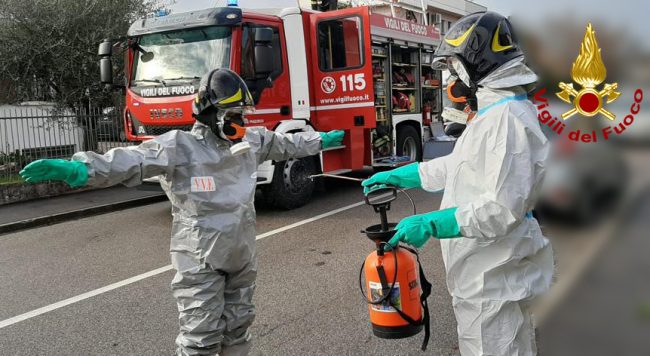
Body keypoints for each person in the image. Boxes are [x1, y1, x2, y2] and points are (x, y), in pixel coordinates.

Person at [20, 69, 344, 356]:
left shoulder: (252, 142)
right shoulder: (179, 148)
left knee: (239, 327)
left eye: (241, 114)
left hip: (242, 253)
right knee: (200, 338)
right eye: (232, 114)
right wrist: (78, 169)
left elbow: (287, 144)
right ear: (210, 113)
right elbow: (131, 160)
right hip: (200, 260)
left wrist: (321, 140)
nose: (240, 122)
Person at [362, 12, 553, 355]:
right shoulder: (494, 114)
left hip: (493, 276)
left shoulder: (507, 120)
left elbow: (500, 210)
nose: (451, 77)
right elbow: (461, 167)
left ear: (477, 62)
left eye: (454, 65)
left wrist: (434, 223)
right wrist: (406, 174)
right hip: (486, 273)